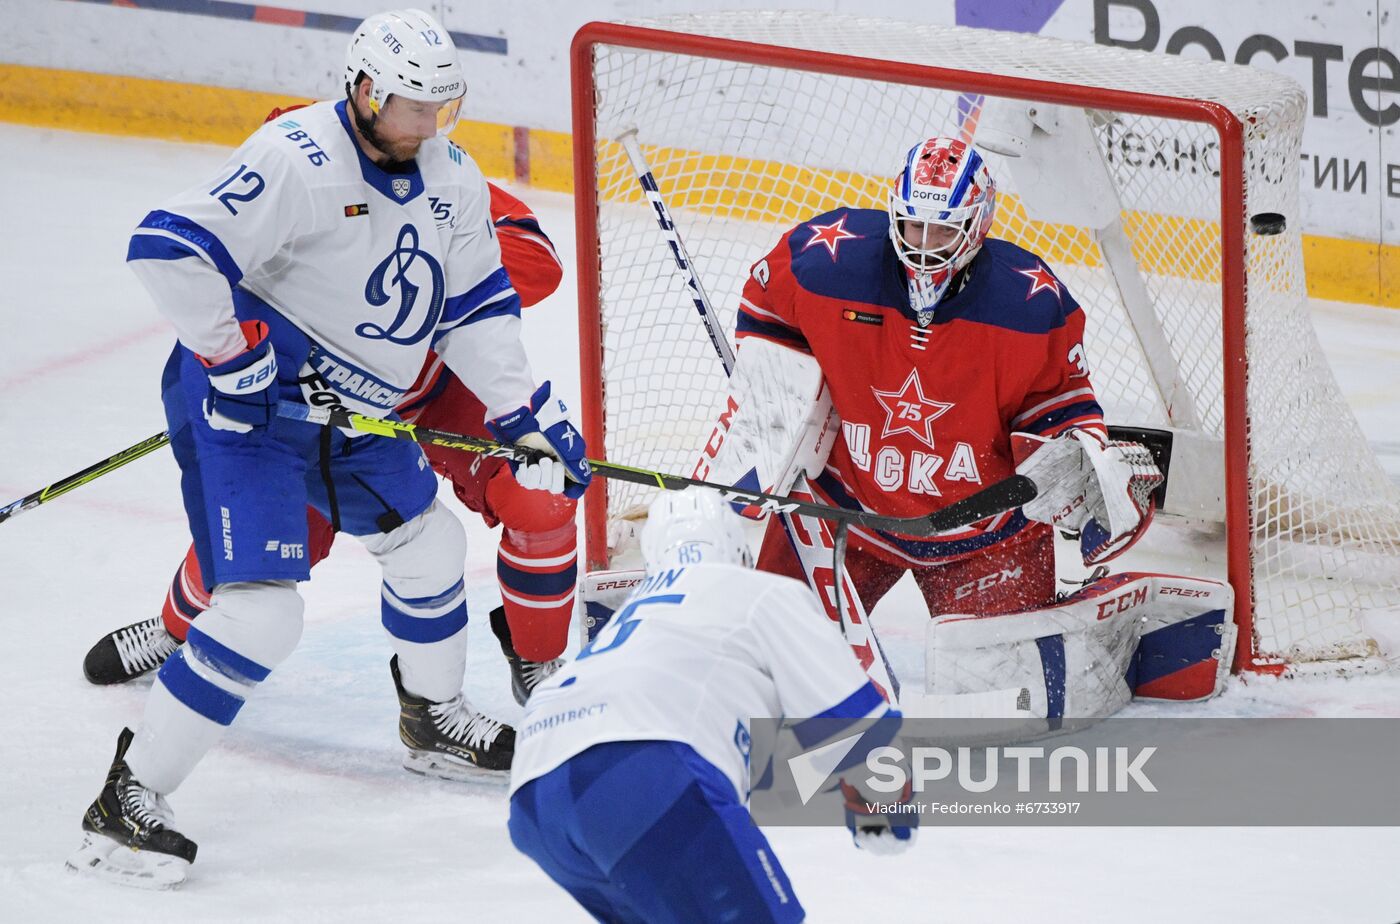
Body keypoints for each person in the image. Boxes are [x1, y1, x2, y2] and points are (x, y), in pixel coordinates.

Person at [68, 9, 590, 889]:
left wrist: (522, 414)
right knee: (263, 612)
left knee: (431, 549)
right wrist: (231, 355)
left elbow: (475, 308)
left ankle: (431, 719)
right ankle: (129, 797)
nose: (429, 128)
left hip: (359, 412)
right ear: (364, 88)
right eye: (412, 109)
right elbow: (166, 247)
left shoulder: (452, 179)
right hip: (252, 413)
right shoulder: (297, 158)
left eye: (442, 108)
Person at [81, 168, 577, 708]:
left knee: (542, 500)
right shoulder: (306, 154)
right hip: (322, 406)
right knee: (257, 542)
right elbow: (205, 255)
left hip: (436, 391)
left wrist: (416, 251)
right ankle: (177, 628)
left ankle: (536, 653)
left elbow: (536, 261)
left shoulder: (441, 175)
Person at [711, 135, 1158, 626]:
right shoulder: (828, 262)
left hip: (984, 533)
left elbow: (1060, 404)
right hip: (840, 511)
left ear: (978, 224)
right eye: (912, 226)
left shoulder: (1030, 303)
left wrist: (1079, 459)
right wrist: (778, 388)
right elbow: (767, 312)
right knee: (771, 651)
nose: (922, 247)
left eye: (942, 232)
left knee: (1005, 690)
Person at [508, 488, 915, 924]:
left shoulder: (634, 615)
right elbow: (852, 723)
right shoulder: (760, 592)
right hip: (641, 767)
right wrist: (885, 820)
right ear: (737, 550)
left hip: (535, 793)